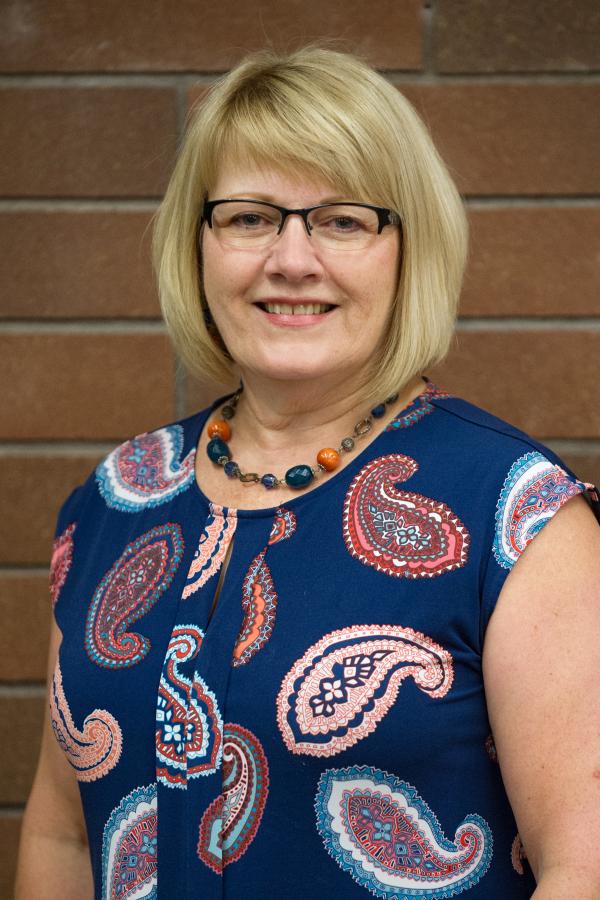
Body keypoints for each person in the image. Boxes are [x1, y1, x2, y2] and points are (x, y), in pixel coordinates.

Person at [15, 46, 600, 900]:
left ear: (407, 251)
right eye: (250, 218)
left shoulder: (517, 520)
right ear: (200, 244)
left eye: (342, 220)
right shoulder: (116, 499)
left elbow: (582, 869)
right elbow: (62, 835)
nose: (291, 260)